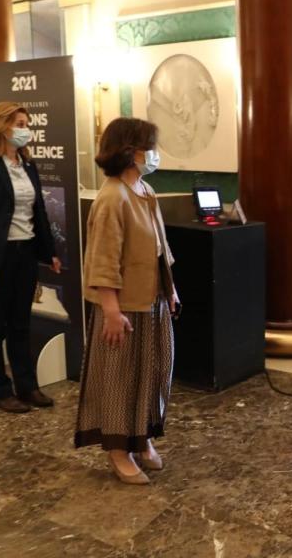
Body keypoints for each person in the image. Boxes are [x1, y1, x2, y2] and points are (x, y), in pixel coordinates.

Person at [74, 117, 180, 485]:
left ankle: (143, 437)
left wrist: (171, 290)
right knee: (120, 379)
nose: (153, 154)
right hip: (123, 307)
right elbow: (102, 261)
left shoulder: (145, 190)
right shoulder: (111, 197)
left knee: (153, 373)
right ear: (130, 151)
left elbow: (159, 248)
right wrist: (112, 312)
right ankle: (119, 450)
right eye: (149, 146)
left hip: (152, 301)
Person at [0, 101, 61, 414]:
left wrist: (49, 253)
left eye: (26, 123)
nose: (25, 129)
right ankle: (0, 390)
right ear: (1, 127)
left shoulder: (27, 165)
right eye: (19, 123)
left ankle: (27, 386)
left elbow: (39, 212)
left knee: (21, 324)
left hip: (25, 252)